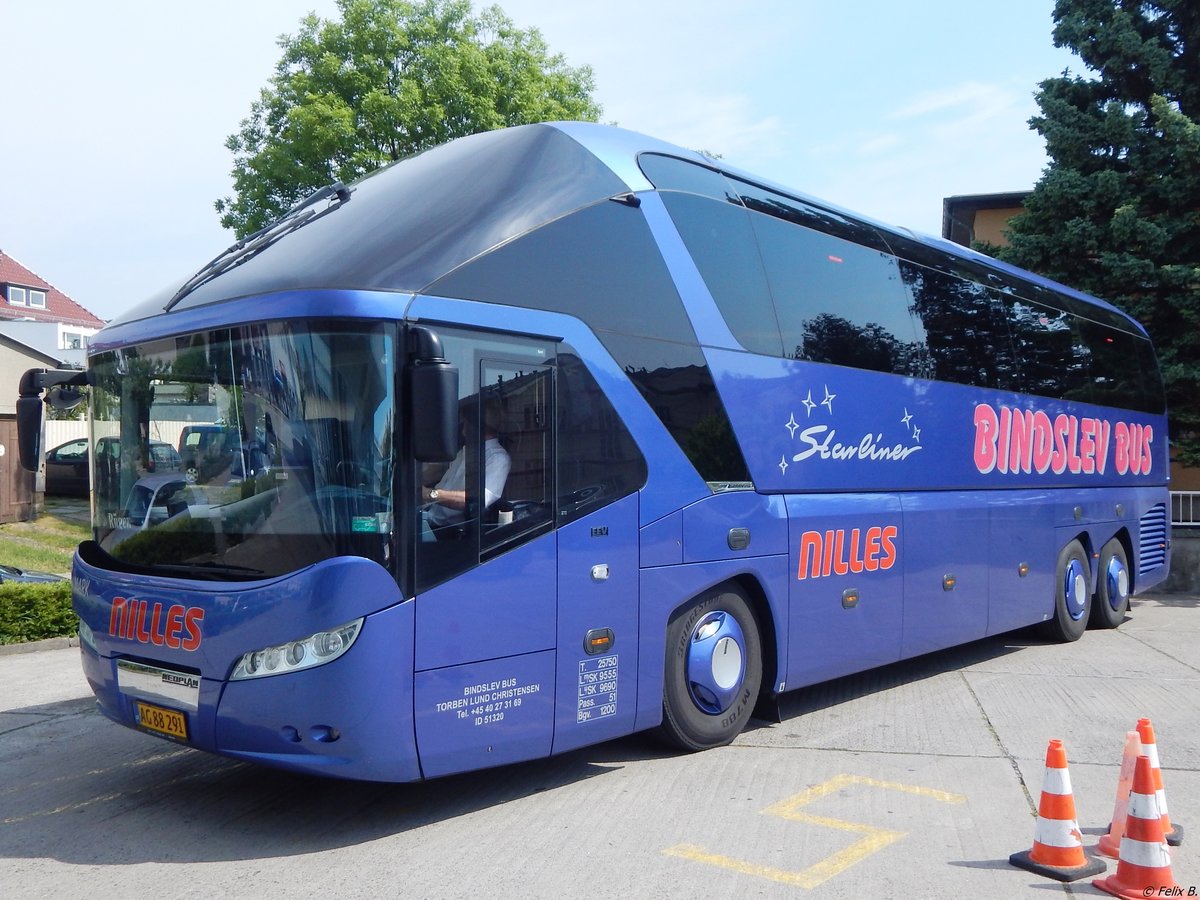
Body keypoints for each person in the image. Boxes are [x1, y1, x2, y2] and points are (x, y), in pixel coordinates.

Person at [421, 398, 510, 539]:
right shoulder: (465, 451)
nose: (463, 427)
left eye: (467, 421)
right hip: (429, 519)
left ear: (479, 426)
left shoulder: (497, 458)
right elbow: (438, 475)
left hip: (450, 533)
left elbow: (476, 500)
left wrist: (430, 494)